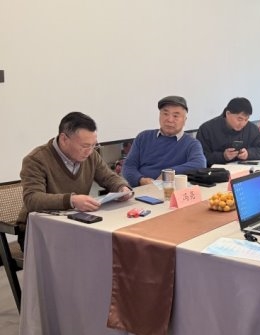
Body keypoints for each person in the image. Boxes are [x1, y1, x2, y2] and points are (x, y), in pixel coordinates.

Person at [17, 112, 132, 249]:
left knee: (114, 244)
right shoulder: (36, 159)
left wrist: (121, 188)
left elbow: (108, 177)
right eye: (84, 146)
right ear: (64, 139)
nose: (90, 151)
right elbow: (32, 199)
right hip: (39, 230)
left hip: (75, 223)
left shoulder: (91, 156)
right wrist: (72, 200)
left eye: (94, 145)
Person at [122, 96, 206, 187]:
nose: (170, 120)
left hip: (172, 189)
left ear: (184, 120)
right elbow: (128, 166)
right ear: (159, 116)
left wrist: (169, 173)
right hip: (142, 188)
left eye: (175, 116)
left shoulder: (191, 143)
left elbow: (199, 164)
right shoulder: (143, 137)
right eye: (165, 114)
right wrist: (141, 180)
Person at [196, 97, 260, 166]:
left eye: (246, 119)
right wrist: (222, 156)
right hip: (216, 174)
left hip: (244, 171)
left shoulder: (252, 129)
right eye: (239, 119)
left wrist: (248, 154)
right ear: (228, 114)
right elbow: (200, 159)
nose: (243, 124)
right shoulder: (206, 129)